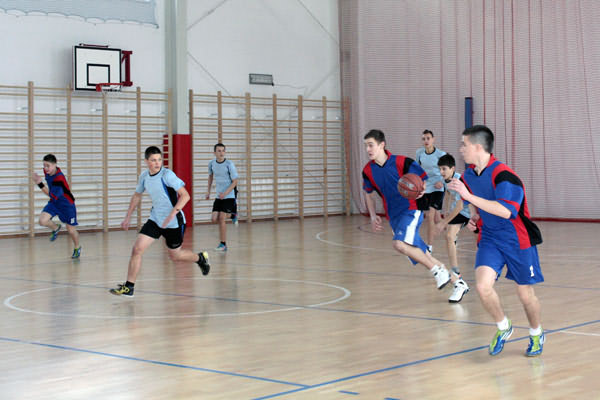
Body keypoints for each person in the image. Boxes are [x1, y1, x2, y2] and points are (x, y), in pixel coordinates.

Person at [448, 125, 545, 357]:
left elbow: (505, 210)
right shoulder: (469, 175)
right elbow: (473, 202)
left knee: (525, 295)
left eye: (464, 144)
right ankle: (504, 326)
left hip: (517, 239)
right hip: (490, 238)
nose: (461, 149)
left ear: (477, 147)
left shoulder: (504, 176)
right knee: (483, 287)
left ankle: (536, 332)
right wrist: (474, 217)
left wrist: (469, 197)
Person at [110, 146, 210, 297]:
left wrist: (172, 213)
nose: (157, 163)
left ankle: (200, 258)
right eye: (153, 160)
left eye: (159, 160)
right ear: (146, 161)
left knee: (175, 256)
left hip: (174, 223)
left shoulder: (167, 175)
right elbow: (137, 195)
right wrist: (128, 216)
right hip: (156, 220)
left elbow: (185, 196)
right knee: (137, 249)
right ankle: (129, 287)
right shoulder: (144, 176)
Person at [362, 129, 451, 292]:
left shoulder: (402, 162)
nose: (368, 149)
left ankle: (437, 271)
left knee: (399, 244)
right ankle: (458, 283)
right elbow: (368, 194)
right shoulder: (367, 170)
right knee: (423, 254)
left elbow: (423, 178)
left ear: (382, 145)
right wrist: (373, 216)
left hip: (411, 209)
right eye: (366, 146)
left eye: (371, 145)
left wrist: (422, 188)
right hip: (393, 216)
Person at [433, 154, 471, 302]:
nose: (441, 172)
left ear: (453, 168)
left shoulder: (458, 181)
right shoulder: (446, 180)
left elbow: (461, 205)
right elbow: (448, 193)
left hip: (469, 211)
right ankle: (456, 272)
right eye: (440, 169)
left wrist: (444, 222)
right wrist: (447, 210)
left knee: (450, 236)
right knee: (449, 236)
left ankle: (457, 273)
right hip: (459, 211)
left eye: (444, 169)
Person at [31, 154, 81, 259]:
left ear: (55, 165)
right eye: (44, 165)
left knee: (71, 230)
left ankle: (77, 247)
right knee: (42, 221)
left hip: (67, 205)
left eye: (48, 166)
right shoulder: (48, 171)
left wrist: (39, 183)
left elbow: (49, 194)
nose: (45, 168)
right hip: (54, 202)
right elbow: (52, 195)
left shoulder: (59, 179)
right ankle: (56, 227)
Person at [415, 129, 446, 253]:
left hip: (437, 187)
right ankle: (451, 233)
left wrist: (442, 182)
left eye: (428, 138)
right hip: (425, 187)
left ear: (433, 139)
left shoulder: (441, 154)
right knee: (437, 219)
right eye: (424, 139)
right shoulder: (419, 153)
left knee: (430, 216)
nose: (426, 141)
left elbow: (448, 171)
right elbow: (417, 169)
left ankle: (429, 247)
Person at [205, 143, 238, 251]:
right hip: (219, 196)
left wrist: (225, 193)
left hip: (229, 195)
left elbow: (235, 182)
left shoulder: (229, 164)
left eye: (223, 150)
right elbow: (210, 177)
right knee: (214, 218)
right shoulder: (212, 164)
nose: (221, 153)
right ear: (214, 152)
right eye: (219, 151)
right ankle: (233, 214)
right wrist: (208, 191)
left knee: (222, 218)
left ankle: (223, 244)